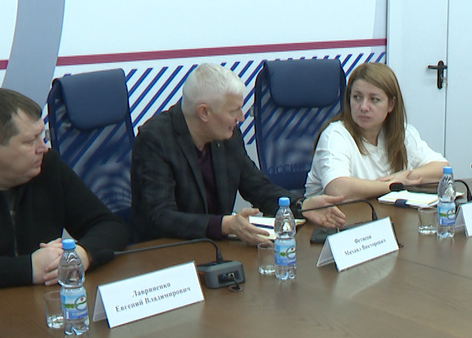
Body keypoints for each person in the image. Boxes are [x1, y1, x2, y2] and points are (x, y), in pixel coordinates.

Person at [131, 63, 346, 246]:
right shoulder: (155, 139)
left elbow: (258, 187)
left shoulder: (228, 136)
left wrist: (301, 206)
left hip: (215, 249)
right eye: (234, 111)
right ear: (204, 112)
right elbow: (160, 217)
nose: (241, 118)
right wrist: (224, 225)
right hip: (167, 255)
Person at [0, 88, 128, 291]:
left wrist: (83, 254)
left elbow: (109, 225)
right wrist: (28, 268)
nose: (43, 148)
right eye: (30, 141)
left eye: (42, 135)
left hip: (44, 300)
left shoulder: (47, 166)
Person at [305, 62, 448, 200]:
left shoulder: (403, 134)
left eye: (374, 99)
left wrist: (405, 177)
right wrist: (393, 185)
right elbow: (337, 189)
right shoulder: (335, 135)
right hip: (335, 216)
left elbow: (443, 170)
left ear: (391, 104)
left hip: (382, 214)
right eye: (357, 97)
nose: (363, 107)